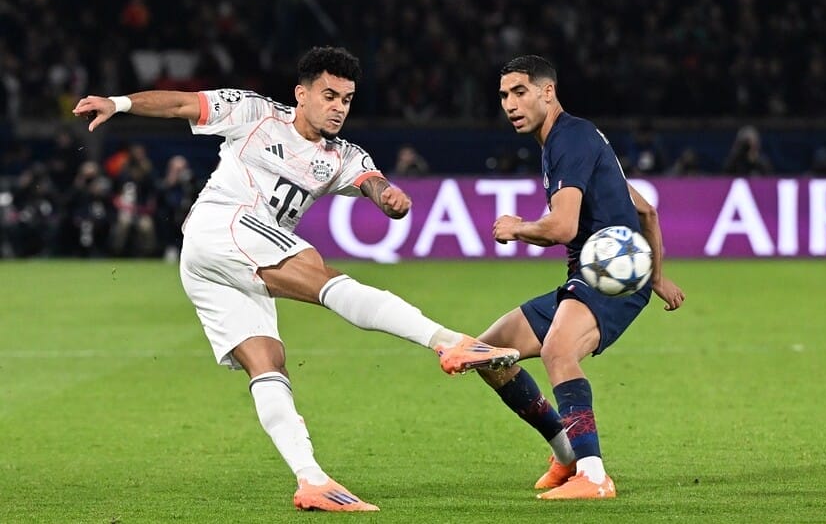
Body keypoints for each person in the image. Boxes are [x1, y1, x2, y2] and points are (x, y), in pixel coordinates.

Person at [72, 46, 518, 512]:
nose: (339, 107)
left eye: (347, 99)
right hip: (224, 222)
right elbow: (182, 103)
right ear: (301, 94)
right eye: (329, 96)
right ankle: (448, 342)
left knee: (268, 362)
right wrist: (118, 103)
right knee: (322, 275)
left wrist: (388, 196)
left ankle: (312, 481)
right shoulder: (255, 113)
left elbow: (371, 181)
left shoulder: (342, 155)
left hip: (216, 264)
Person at [476, 55, 686, 500]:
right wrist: (657, 278)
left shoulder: (568, 140)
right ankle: (567, 452)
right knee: (488, 354)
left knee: (558, 351)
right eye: (504, 95)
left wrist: (518, 227)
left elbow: (563, 227)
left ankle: (594, 476)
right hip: (601, 273)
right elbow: (647, 211)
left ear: (547, 92)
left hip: (610, 276)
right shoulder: (575, 138)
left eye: (519, 92)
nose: (510, 104)